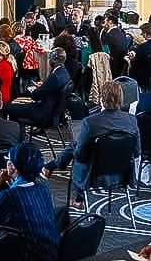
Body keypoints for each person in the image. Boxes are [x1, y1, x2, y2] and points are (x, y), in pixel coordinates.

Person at [45, 81, 139, 209]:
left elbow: (80, 155)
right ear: (121, 99)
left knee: (77, 147)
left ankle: (76, 196)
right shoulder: (132, 121)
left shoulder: (90, 122)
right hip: (122, 174)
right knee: (79, 145)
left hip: (94, 175)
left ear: (101, 99)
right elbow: (137, 151)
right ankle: (52, 166)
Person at [0, 143, 59, 261]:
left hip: (29, 255)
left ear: (11, 166)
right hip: (52, 252)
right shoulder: (43, 187)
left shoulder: (10, 196)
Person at [4, 49, 70, 128]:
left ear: (54, 59)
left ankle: (16, 137)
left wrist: (33, 90)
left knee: (8, 107)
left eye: (50, 59)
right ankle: (17, 135)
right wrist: (43, 86)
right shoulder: (64, 72)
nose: (49, 61)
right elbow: (50, 88)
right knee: (14, 107)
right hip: (52, 111)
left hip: (43, 112)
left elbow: (35, 96)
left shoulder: (54, 77)